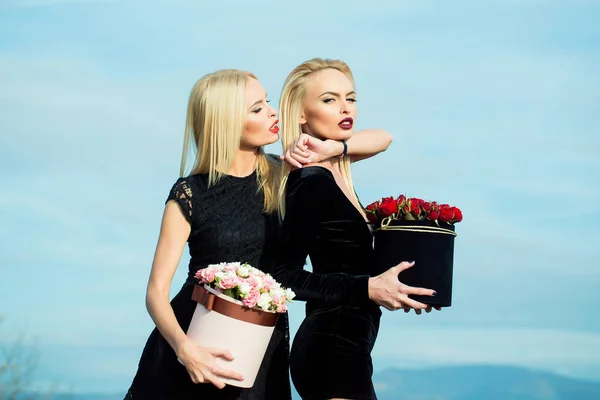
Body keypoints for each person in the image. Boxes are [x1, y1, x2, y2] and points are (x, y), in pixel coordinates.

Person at [124, 68, 394, 400]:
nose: (272, 111)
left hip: (262, 350)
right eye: (257, 107)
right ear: (225, 120)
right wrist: (185, 349)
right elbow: (155, 292)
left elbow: (382, 139)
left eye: (268, 101)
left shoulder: (287, 176)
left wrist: (333, 148)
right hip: (189, 349)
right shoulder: (188, 193)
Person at [272, 58, 438, 400]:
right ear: (302, 113)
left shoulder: (336, 167)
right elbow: (281, 275)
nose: (345, 108)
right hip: (331, 348)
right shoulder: (312, 180)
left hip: (351, 344)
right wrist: (368, 288)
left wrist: (337, 147)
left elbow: (385, 138)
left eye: (351, 98)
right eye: (329, 100)